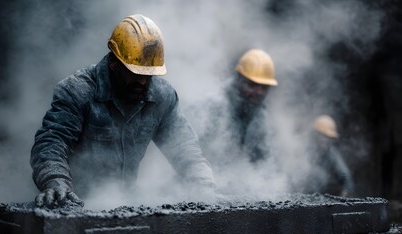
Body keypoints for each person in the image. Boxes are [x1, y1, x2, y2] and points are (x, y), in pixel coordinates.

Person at [30, 14, 215, 208]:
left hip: (126, 203)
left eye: (148, 74)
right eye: (135, 73)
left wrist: (203, 186)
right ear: (113, 62)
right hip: (74, 203)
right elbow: (52, 141)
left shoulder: (162, 96)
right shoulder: (78, 91)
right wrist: (55, 182)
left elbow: (184, 148)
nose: (142, 81)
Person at [186, 49, 277, 169]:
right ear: (239, 79)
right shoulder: (214, 107)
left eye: (264, 87)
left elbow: (262, 159)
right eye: (252, 85)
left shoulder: (259, 115)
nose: (258, 92)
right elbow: (190, 153)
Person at [304, 115, 354, 196]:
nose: (326, 140)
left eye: (329, 137)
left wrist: (345, 195)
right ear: (315, 135)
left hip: (315, 199)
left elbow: (345, 176)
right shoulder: (302, 149)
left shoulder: (330, 153)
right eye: (324, 136)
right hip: (296, 196)